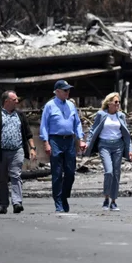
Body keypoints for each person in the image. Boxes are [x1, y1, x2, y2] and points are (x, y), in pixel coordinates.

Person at [0, 90, 37, 214]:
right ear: (6, 101)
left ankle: (17, 202)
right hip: (0, 152)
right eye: (15, 100)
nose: (17, 101)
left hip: (17, 151)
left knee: (15, 176)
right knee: (1, 179)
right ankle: (3, 204)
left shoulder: (20, 115)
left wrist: (32, 149)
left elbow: (28, 134)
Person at [40, 80, 86, 213]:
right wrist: (46, 142)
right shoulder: (49, 106)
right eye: (65, 90)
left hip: (69, 141)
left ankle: (64, 195)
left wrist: (81, 139)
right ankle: (58, 202)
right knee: (57, 173)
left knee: (70, 172)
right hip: (55, 140)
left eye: (68, 90)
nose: (68, 92)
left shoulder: (71, 105)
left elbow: (77, 123)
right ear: (57, 91)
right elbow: (44, 125)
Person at [85, 92, 132, 211]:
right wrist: (87, 143)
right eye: (116, 102)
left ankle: (113, 201)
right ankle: (106, 198)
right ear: (109, 103)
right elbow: (93, 130)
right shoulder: (101, 114)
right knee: (109, 172)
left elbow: (126, 134)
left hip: (118, 146)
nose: (118, 104)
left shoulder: (121, 115)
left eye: (119, 102)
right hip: (104, 145)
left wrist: (130, 150)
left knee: (116, 173)